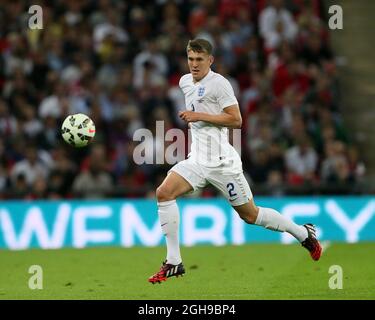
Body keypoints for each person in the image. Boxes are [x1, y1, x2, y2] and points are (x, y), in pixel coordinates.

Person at [148, 39, 322, 284]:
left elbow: (236, 120)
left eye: (200, 59)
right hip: (197, 160)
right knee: (164, 193)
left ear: (210, 60)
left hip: (222, 164)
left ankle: (303, 232)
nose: (194, 64)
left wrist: (198, 115)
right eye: (190, 59)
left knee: (250, 215)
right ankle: (174, 261)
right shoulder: (184, 82)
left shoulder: (220, 84)